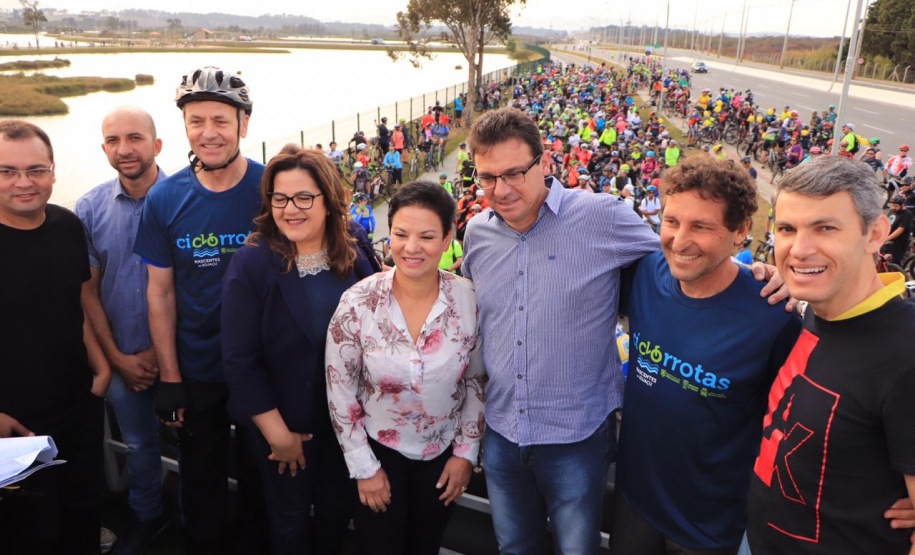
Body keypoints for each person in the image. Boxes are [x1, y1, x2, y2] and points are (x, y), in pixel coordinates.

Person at [461, 108, 659, 554]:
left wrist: (759, 274)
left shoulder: (603, 216)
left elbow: (681, 265)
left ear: (545, 163)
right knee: (514, 546)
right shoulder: (477, 232)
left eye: (514, 173)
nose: (502, 189)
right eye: (487, 177)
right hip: (503, 431)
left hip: (577, 435)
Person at [612, 155, 803, 555]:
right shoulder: (644, 273)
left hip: (710, 528)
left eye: (701, 226)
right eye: (672, 221)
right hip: (633, 503)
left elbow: (800, 423)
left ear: (740, 231)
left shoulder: (773, 315)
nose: (680, 241)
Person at [748, 156, 915, 555]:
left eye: (825, 228)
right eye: (787, 228)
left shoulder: (906, 354)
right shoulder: (819, 310)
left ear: (875, 233)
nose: (800, 249)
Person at [133, 66, 266, 554]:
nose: (208, 132)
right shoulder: (165, 198)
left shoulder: (272, 188)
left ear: (243, 125)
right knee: (201, 476)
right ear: (184, 127)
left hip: (260, 368)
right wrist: (170, 378)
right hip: (198, 369)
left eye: (220, 120)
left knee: (262, 479)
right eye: (196, 121)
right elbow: (160, 293)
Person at [221, 149, 381, 554]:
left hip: (349, 426)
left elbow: (383, 314)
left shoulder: (355, 245)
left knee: (334, 513)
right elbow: (239, 360)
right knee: (289, 521)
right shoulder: (253, 263)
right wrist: (279, 435)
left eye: (304, 198)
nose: (291, 209)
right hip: (288, 428)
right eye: (280, 198)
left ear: (328, 200)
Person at [326, 180, 486, 555]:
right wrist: (364, 469)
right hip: (378, 451)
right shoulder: (358, 302)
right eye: (400, 234)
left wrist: (465, 454)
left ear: (448, 239)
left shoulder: (469, 300)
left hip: (442, 456)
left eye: (427, 236)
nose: (411, 248)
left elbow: (478, 380)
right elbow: (340, 388)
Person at [0, 120, 109, 554]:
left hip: (79, 407)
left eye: (35, 169)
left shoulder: (67, 225)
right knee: (28, 534)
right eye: (7, 171)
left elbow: (76, 302)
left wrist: (100, 367)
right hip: (14, 428)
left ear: (53, 172)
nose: (24, 182)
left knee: (83, 515)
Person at [76, 106, 171, 552]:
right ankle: (147, 516)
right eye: (113, 140)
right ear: (103, 149)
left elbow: (199, 286)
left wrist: (158, 354)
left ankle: (198, 519)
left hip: (181, 358)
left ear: (156, 145)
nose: (124, 148)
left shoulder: (185, 200)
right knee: (139, 445)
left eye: (134, 138)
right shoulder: (89, 208)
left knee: (201, 441)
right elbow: (88, 292)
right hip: (119, 359)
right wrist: (117, 359)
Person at [883, 194, 912, 266]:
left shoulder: (907, 214)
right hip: (888, 242)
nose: (893, 207)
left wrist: (887, 238)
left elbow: (900, 230)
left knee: (895, 263)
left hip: (898, 244)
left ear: (902, 205)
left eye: (896, 206)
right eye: (892, 205)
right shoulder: (892, 211)